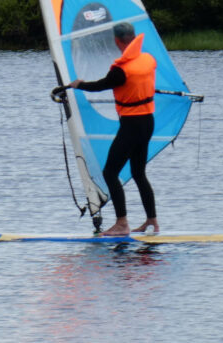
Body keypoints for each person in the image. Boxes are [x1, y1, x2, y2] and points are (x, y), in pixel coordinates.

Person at [67, 22, 159, 236]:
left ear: (117, 41)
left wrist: (78, 84)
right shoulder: (148, 60)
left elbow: (101, 85)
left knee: (110, 172)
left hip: (132, 126)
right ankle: (152, 220)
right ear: (134, 37)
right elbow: (136, 82)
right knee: (138, 173)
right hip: (147, 123)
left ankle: (122, 223)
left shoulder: (121, 70)